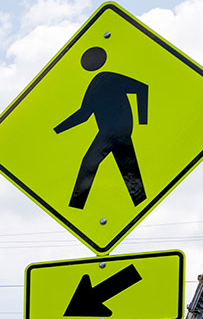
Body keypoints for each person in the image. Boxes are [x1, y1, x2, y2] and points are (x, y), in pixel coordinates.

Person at [54, 46, 148, 209]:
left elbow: (142, 88)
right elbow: (83, 115)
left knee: (89, 163)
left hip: (112, 132)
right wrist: (57, 130)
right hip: (116, 132)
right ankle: (139, 202)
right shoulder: (96, 83)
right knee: (129, 170)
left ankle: (77, 205)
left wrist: (143, 122)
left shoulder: (108, 78)